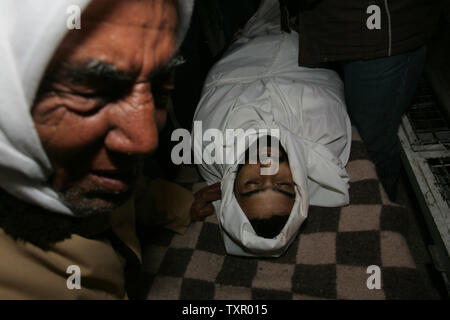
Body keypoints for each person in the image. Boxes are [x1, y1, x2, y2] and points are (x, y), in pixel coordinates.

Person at [0, 0, 193, 299]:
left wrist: (173, 204)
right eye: (89, 90)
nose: (145, 141)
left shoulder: (77, 167)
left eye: (160, 88)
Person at [192, 0, 351, 257]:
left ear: (231, 186)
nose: (269, 167)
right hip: (305, 39)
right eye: (283, 185)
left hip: (242, 50)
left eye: (253, 184)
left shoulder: (209, 151)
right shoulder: (329, 141)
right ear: (300, 183)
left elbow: (214, 91)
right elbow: (326, 83)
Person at [293, 0, 444, 200]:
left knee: (370, 144)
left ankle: (377, 215)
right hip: (330, 23)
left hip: (380, 29)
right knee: (329, 130)